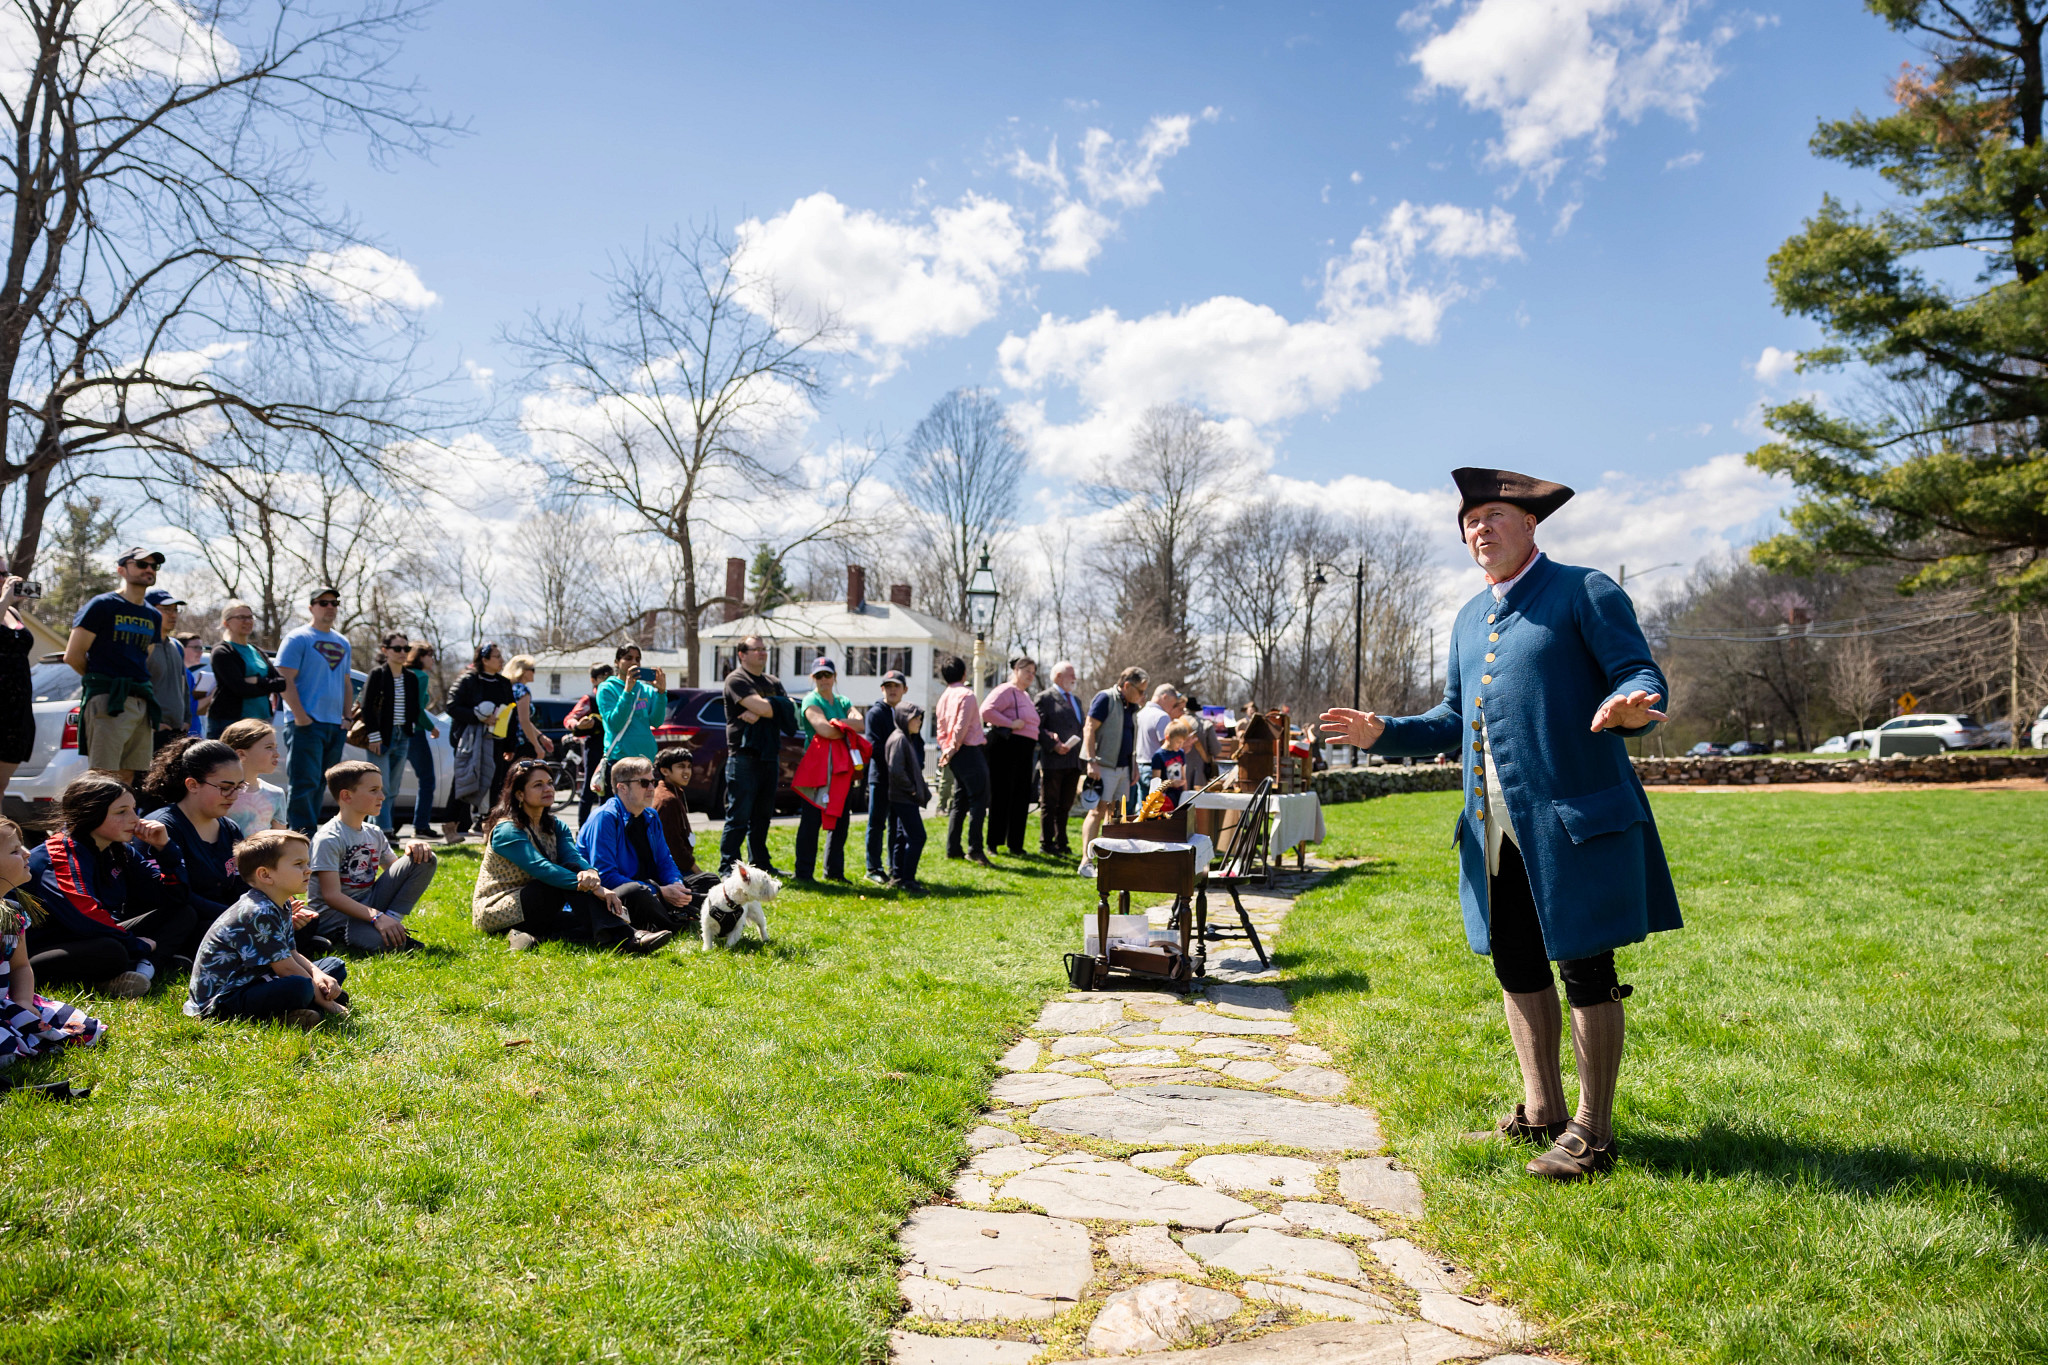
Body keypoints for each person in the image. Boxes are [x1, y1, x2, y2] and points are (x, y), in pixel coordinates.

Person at [1319, 466, 1680, 1182]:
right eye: (1469, 522)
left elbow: (1637, 670)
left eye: (1493, 517)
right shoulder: (1465, 618)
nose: (1479, 530)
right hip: (1492, 828)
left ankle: (1594, 1132)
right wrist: (1382, 730)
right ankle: (1541, 1110)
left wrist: (1635, 700)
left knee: (1585, 967)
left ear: (1530, 525)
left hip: (1571, 821)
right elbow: (1452, 719)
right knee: (1517, 964)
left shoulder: (1584, 590)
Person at [470, 758, 668, 954]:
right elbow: (542, 869)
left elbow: (573, 857)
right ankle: (629, 938)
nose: (548, 789)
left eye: (549, 783)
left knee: (592, 921)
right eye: (538, 785)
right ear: (520, 794)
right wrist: (597, 889)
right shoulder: (507, 830)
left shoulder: (556, 826)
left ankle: (531, 939)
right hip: (500, 910)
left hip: (543, 903)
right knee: (573, 880)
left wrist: (590, 872)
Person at [25, 776, 195, 997]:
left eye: (134, 809)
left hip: (91, 938)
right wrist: (136, 944)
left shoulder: (119, 849)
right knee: (112, 950)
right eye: (121, 812)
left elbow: (174, 897)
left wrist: (166, 849)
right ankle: (130, 968)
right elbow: (84, 915)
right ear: (90, 814)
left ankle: (141, 971)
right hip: (46, 950)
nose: (135, 819)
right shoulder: (60, 852)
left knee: (183, 914)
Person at [185, 830, 349, 1028]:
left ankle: (292, 1011)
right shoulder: (257, 911)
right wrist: (328, 1003)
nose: (308, 870)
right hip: (224, 998)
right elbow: (286, 968)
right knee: (300, 986)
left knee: (334, 966)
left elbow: (291, 953)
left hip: (258, 979)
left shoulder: (281, 903)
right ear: (265, 875)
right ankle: (299, 1008)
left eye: (307, 863)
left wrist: (318, 974)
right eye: (299, 864)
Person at [0, 818, 107, 1065]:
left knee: (85, 1029)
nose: (28, 853)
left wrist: (24, 1001)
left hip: (7, 1002)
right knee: (6, 1053)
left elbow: (20, 966)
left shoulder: (13, 912)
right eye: (15, 851)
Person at [309, 761, 437, 954]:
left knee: (425, 858)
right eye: (373, 790)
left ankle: (392, 923)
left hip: (369, 906)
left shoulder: (374, 832)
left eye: (381, 790)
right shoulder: (329, 838)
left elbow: (397, 873)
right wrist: (377, 917)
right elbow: (332, 896)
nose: (382, 796)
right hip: (338, 920)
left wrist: (412, 849)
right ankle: (379, 933)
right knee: (386, 945)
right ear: (346, 796)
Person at [62, 546, 165, 784]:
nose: (148, 569)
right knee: (102, 776)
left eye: (153, 566)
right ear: (121, 569)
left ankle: (123, 820)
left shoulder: (153, 616)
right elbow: (73, 655)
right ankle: (93, 820)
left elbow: (144, 656)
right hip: (109, 699)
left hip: (141, 700)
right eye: (141, 564)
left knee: (130, 774)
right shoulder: (102, 605)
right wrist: (102, 682)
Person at [574, 756, 704, 930]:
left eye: (653, 781)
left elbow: (665, 861)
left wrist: (675, 885)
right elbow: (605, 876)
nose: (652, 788)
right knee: (637, 892)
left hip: (649, 887)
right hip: (615, 894)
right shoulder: (605, 818)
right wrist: (660, 892)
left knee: (707, 880)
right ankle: (675, 923)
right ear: (622, 788)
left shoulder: (650, 815)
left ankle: (679, 911)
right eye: (644, 783)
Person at [277, 587, 354, 834]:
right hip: (306, 725)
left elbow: (346, 683)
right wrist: (301, 717)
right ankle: (301, 837)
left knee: (322, 783)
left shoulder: (343, 642)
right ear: (311, 607)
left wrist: (347, 717)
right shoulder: (298, 638)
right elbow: (283, 679)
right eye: (323, 602)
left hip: (334, 725)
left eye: (334, 603)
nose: (330, 607)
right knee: (304, 783)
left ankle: (313, 838)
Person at [719, 634, 793, 875]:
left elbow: (789, 707)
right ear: (742, 654)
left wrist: (763, 709)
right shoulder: (736, 679)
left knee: (762, 816)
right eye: (756, 649)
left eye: (764, 649)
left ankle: (760, 863)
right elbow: (771, 706)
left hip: (769, 755)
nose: (762, 653)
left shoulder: (772, 680)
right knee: (738, 815)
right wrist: (769, 707)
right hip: (743, 756)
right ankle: (729, 866)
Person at [792, 657, 864, 883]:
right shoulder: (810, 700)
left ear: (834, 677)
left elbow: (860, 722)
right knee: (811, 821)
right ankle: (803, 873)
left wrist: (837, 724)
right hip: (817, 769)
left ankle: (834, 871)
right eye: (819, 676)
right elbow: (824, 730)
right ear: (813, 678)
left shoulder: (843, 700)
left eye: (827, 675)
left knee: (841, 820)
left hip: (841, 769)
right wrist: (844, 726)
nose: (824, 679)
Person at [360, 632, 436, 836]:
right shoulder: (378, 674)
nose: (403, 653)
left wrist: (418, 727)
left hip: (403, 735)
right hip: (381, 737)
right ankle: (385, 831)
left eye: (406, 648)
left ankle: (372, 830)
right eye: (397, 648)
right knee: (380, 786)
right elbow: (367, 707)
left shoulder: (410, 678)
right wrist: (374, 736)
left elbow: (414, 709)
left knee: (392, 789)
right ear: (385, 650)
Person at [1077, 666, 1147, 877]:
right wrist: (1091, 761)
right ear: (1127, 685)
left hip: (1124, 769)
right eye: (1141, 691)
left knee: (1116, 815)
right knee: (1097, 812)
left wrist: (1133, 765)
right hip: (1103, 766)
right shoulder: (1105, 698)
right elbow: (1089, 728)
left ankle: (1108, 861)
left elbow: (1131, 738)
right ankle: (1086, 861)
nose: (1143, 696)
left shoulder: (1131, 707)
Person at [444, 643, 516, 840]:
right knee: (464, 779)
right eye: (497, 656)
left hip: (496, 740)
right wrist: (478, 716)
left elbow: (512, 713)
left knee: (496, 783)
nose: (501, 660)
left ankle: (489, 828)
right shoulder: (468, 680)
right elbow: (452, 706)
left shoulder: (503, 683)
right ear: (484, 660)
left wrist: (510, 744)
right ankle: (450, 827)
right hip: (470, 742)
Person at [981, 656, 1040, 857]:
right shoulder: (1006, 690)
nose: (1031, 675)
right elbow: (986, 711)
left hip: (1025, 749)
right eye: (1027, 671)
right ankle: (993, 843)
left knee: (1021, 796)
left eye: (1033, 672)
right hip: (1007, 748)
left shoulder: (1025, 695)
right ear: (1015, 670)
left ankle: (1015, 844)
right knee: (1002, 795)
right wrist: (1010, 722)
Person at [935, 656, 991, 867]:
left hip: (955, 753)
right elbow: (961, 726)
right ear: (964, 674)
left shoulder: (943, 698)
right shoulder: (966, 695)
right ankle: (975, 850)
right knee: (979, 799)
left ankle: (953, 848)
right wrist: (951, 749)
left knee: (960, 800)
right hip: (967, 750)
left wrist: (946, 749)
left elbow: (941, 729)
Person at [208, 600, 287, 737]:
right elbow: (239, 688)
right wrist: (267, 685)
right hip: (231, 723)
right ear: (226, 623)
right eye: (241, 617)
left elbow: (281, 683)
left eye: (250, 617)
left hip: (262, 721)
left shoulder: (257, 651)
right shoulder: (222, 651)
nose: (247, 621)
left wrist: (257, 680)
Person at [1034, 661, 1086, 857]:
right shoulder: (1045, 698)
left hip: (1073, 760)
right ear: (1057, 676)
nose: (1074, 678)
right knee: (1050, 803)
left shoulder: (1076, 700)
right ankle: (1047, 843)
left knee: (1065, 804)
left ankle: (1061, 841)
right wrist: (1053, 744)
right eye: (1070, 674)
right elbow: (1036, 727)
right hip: (1053, 760)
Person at [862, 669, 908, 886]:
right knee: (876, 823)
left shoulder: (905, 714)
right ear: (882, 689)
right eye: (888, 686)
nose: (892, 690)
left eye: (896, 686)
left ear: (904, 690)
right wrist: (896, 760)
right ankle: (873, 867)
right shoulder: (875, 713)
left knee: (896, 825)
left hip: (898, 781)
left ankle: (893, 867)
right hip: (880, 777)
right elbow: (873, 746)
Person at [595, 643, 662, 790]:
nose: (634, 662)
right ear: (617, 662)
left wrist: (661, 693)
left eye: (638, 659)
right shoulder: (607, 688)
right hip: (621, 760)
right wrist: (627, 691)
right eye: (628, 658)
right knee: (618, 810)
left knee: (643, 809)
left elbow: (657, 722)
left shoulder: (646, 689)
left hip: (646, 760)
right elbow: (615, 724)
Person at [649, 745, 713, 887]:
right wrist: (697, 871)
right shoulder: (667, 800)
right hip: (668, 871)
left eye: (689, 767)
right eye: (681, 766)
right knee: (711, 882)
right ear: (665, 770)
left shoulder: (674, 792)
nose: (687, 771)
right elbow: (673, 848)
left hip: (676, 865)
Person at [0, 567, 37, 802]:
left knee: (1, 787)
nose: (4, 578)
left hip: (17, 712)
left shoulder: (13, 611)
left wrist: (9, 602)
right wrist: (4, 599)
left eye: (5, 572)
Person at [885, 703, 930, 890]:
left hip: (902, 797)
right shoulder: (899, 739)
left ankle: (898, 876)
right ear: (904, 718)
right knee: (918, 836)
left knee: (901, 837)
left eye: (920, 718)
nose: (919, 722)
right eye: (915, 718)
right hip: (903, 797)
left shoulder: (905, 738)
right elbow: (896, 770)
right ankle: (908, 880)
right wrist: (912, 789)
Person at [145, 588, 193, 751]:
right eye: (166, 610)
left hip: (177, 732)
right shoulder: (142, 644)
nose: (173, 615)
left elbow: (184, 687)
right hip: (150, 732)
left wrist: (187, 719)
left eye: (175, 610)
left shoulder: (177, 646)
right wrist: (149, 721)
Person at [223, 719, 289, 832]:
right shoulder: (221, 793)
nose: (277, 754)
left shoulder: (276, 794)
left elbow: (280, 842)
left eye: (276, 747)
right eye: (269, 747)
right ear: (241, 754)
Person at [568, 662, 613, 826]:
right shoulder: (590, 699)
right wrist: (578, 725)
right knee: (590, 787)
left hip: (613, 746)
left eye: (611, 676)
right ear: (593, 680)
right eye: (604, 677)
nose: (609, 680)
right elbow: (570, 718)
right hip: (594, 747)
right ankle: (582, 829)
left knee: (608, 790)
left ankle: (604, 828)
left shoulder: (617, 696)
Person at [503, 654, 557, 762]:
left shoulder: (508, 688)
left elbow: (521, 719)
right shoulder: (522, 690)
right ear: (522, 671)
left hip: (508, 741)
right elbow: (524, 721)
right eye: (532, 669)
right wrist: (537, 746)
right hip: (521, 744)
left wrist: (541, 737)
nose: (534, 673)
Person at [1132, 684, 1181, 796]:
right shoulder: (1162, 716)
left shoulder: (1140, 713)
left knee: (1142, 808)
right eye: (1172, 704)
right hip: (1155, 770)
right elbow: (1167, 746)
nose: (1171, 708)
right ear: (1164, 697)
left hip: (1138, 767)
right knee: (1155, 810)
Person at [1147, 717, 1197, 811]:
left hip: (1179, 796)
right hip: (1165, 799)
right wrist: (1171, 783)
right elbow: (1155, 783)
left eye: (1182, 743)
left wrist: (1185, 792)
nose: (1180, 745)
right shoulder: (1158, 756)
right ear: (1167, 737)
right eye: (1178, 742)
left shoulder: (1180, 752)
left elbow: (1183, 775)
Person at [182, 634, 212, 737]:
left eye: (201, 648)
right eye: (196, 648)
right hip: (185, 737)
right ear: (181, 649)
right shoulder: (182, 673)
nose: (200, 652)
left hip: (193, 734)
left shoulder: (187, 673)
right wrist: (212, 695)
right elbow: (191, 708)